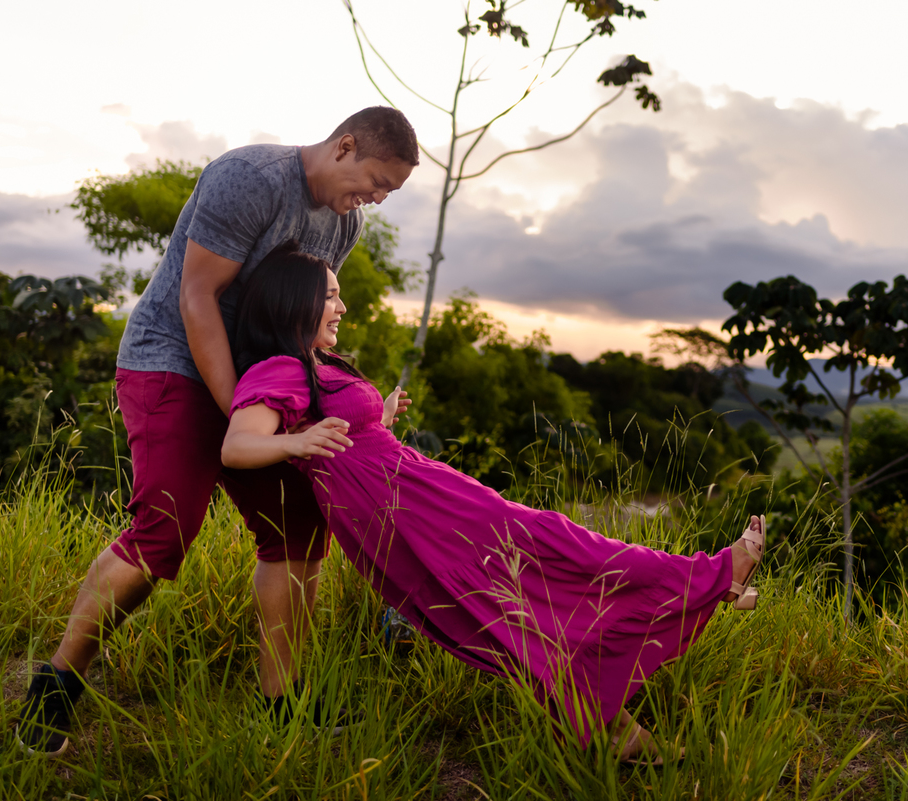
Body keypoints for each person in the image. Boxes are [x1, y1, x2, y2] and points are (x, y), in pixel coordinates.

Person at [220, 242, 766, 762]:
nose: (342, 306)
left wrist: (377, 417)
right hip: (406, 512)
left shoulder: (318, 365)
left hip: (417, 493)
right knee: (541, 557)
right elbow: (237, 446)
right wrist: (295, 443)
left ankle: (615, 721)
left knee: (519, 588)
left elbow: (342, 439)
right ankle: (711, 578)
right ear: (295, 301)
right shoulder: (278, 369)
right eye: (331, 295)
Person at [15, 108, 420, 757]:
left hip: (261, 378)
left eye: (388, 192)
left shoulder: (344, 223)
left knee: (297, 524)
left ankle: (282, 702)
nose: (376, 198)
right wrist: (242, 414)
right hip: (170, 359)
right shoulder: (251, 178)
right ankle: (57, 682)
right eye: (376, 180)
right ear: (345, 146)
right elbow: (197, 297)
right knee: (165, 528)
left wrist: (315, 404)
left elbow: (298, 316)